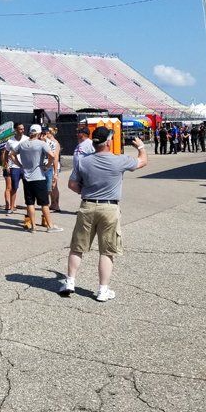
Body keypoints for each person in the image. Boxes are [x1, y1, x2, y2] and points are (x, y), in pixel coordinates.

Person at [58, 127, 148, 302]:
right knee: (107, 251)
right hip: (109, 208)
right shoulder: (119, 160)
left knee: (77, 247)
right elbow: (142, 161)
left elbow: (72, 184)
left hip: (87, 205)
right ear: (108, 142)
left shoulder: (83, 162)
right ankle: (102, 290)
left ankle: (70, 281)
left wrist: (86, 191)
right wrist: (141, 147)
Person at [14, 124, 62, 234]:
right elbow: (52, 156)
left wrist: (20, 165)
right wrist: (47, 166)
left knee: (30, 203)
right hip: (39, 177)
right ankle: (50, 226)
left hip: (27, 177)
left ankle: (33, 226)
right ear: (39, 133)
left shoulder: (23, 144)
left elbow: (12, 154)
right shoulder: (41, 144)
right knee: (44, 203)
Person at [3, 123, 28, 214]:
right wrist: (6, 165)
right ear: (15, 130)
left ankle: (29, 207)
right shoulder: (10, 141)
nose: (22, 130)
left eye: (23, 128)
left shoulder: (27, 139)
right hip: (14, 167)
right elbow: (6, 153)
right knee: (14, 188)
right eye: (20, 129)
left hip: (26, 167)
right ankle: (12, 207)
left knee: (27, 187)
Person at [43, 126, 61, 212]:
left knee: (54, 186)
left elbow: (56, 157)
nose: (44, 134)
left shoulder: (55, 143)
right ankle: (53, 204)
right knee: (50, 186)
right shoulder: (46, 141)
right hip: (48, 166)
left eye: (46, 133)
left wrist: (55, 172)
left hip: (54, 166)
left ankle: (56, 204)